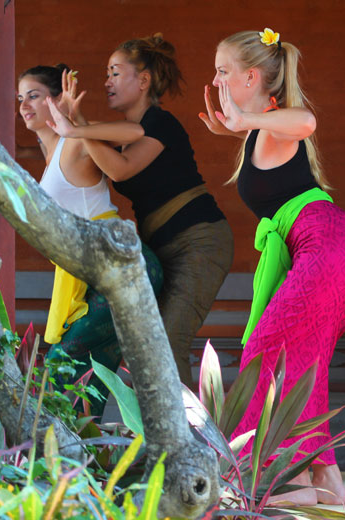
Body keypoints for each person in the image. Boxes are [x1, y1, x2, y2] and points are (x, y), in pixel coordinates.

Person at [201, 28, 345, 505]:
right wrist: (237, 125)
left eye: (223, 71)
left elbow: (305, 123)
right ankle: (324, 481)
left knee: (268, 354)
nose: (216, 79)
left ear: (252, 77)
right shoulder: (262, 127)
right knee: (301, 361)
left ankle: (287, 482)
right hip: (343, 252)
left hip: (333, 250)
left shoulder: (279, 121)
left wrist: (244, 119)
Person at [46, 34, 234, 387]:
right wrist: (75, 123)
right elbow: (91, 154)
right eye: (107, 74)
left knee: (167, 340)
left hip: (199, 242)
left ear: (143, 80)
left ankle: (185, 440)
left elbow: (120, 169)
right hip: (160, 250)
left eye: (115, 72)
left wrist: (80, 127)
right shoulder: (118, 132)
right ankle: (154, 436)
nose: (106, 82)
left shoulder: (162, 124)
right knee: (145, 346)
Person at [18, 64, 163, 418]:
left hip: (122, 267)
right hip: (96, 276)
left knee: (60, 366)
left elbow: (135, 129)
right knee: (90, 380)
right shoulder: (53, 155)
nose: (23, 105)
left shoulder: (76, 142)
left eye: (33, 96)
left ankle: (63, 462)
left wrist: (77, 124)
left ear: (57, 98)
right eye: (19, 98)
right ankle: (87, 466)